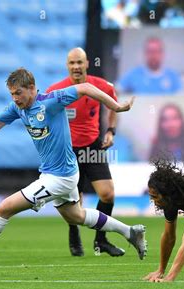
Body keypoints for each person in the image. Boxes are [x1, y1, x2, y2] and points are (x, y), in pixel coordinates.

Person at [0, 68, 147, 264]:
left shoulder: (51, 102)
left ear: (31, 88)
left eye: (18, 93)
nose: (15, 98)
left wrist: (116, 107)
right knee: (77, 216)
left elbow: (85, 88)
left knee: (4, 207)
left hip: (59, 177)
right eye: (12, 94)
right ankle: (130, 232)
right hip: (59, 173)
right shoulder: (17, 108)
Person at [47, 47, 125, 257]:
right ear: (67, 66)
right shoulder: (56, 90)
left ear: (87, 63)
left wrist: (111, 131)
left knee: (107, 194)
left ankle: (101, 241)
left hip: (93, 147)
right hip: (67, 151)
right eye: (72, 63)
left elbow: (114, 106)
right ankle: (74, 233)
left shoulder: (99, 86)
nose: (76, 67)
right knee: (75, 201)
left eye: (80, 62)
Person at [117, 37, 183, 94]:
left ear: (162, 54)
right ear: (145, 54)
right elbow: (116, 91)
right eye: (150, 51)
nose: (153, 55)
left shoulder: (173, 76)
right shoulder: (133, 74)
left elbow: (181, 101)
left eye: (156, 51)